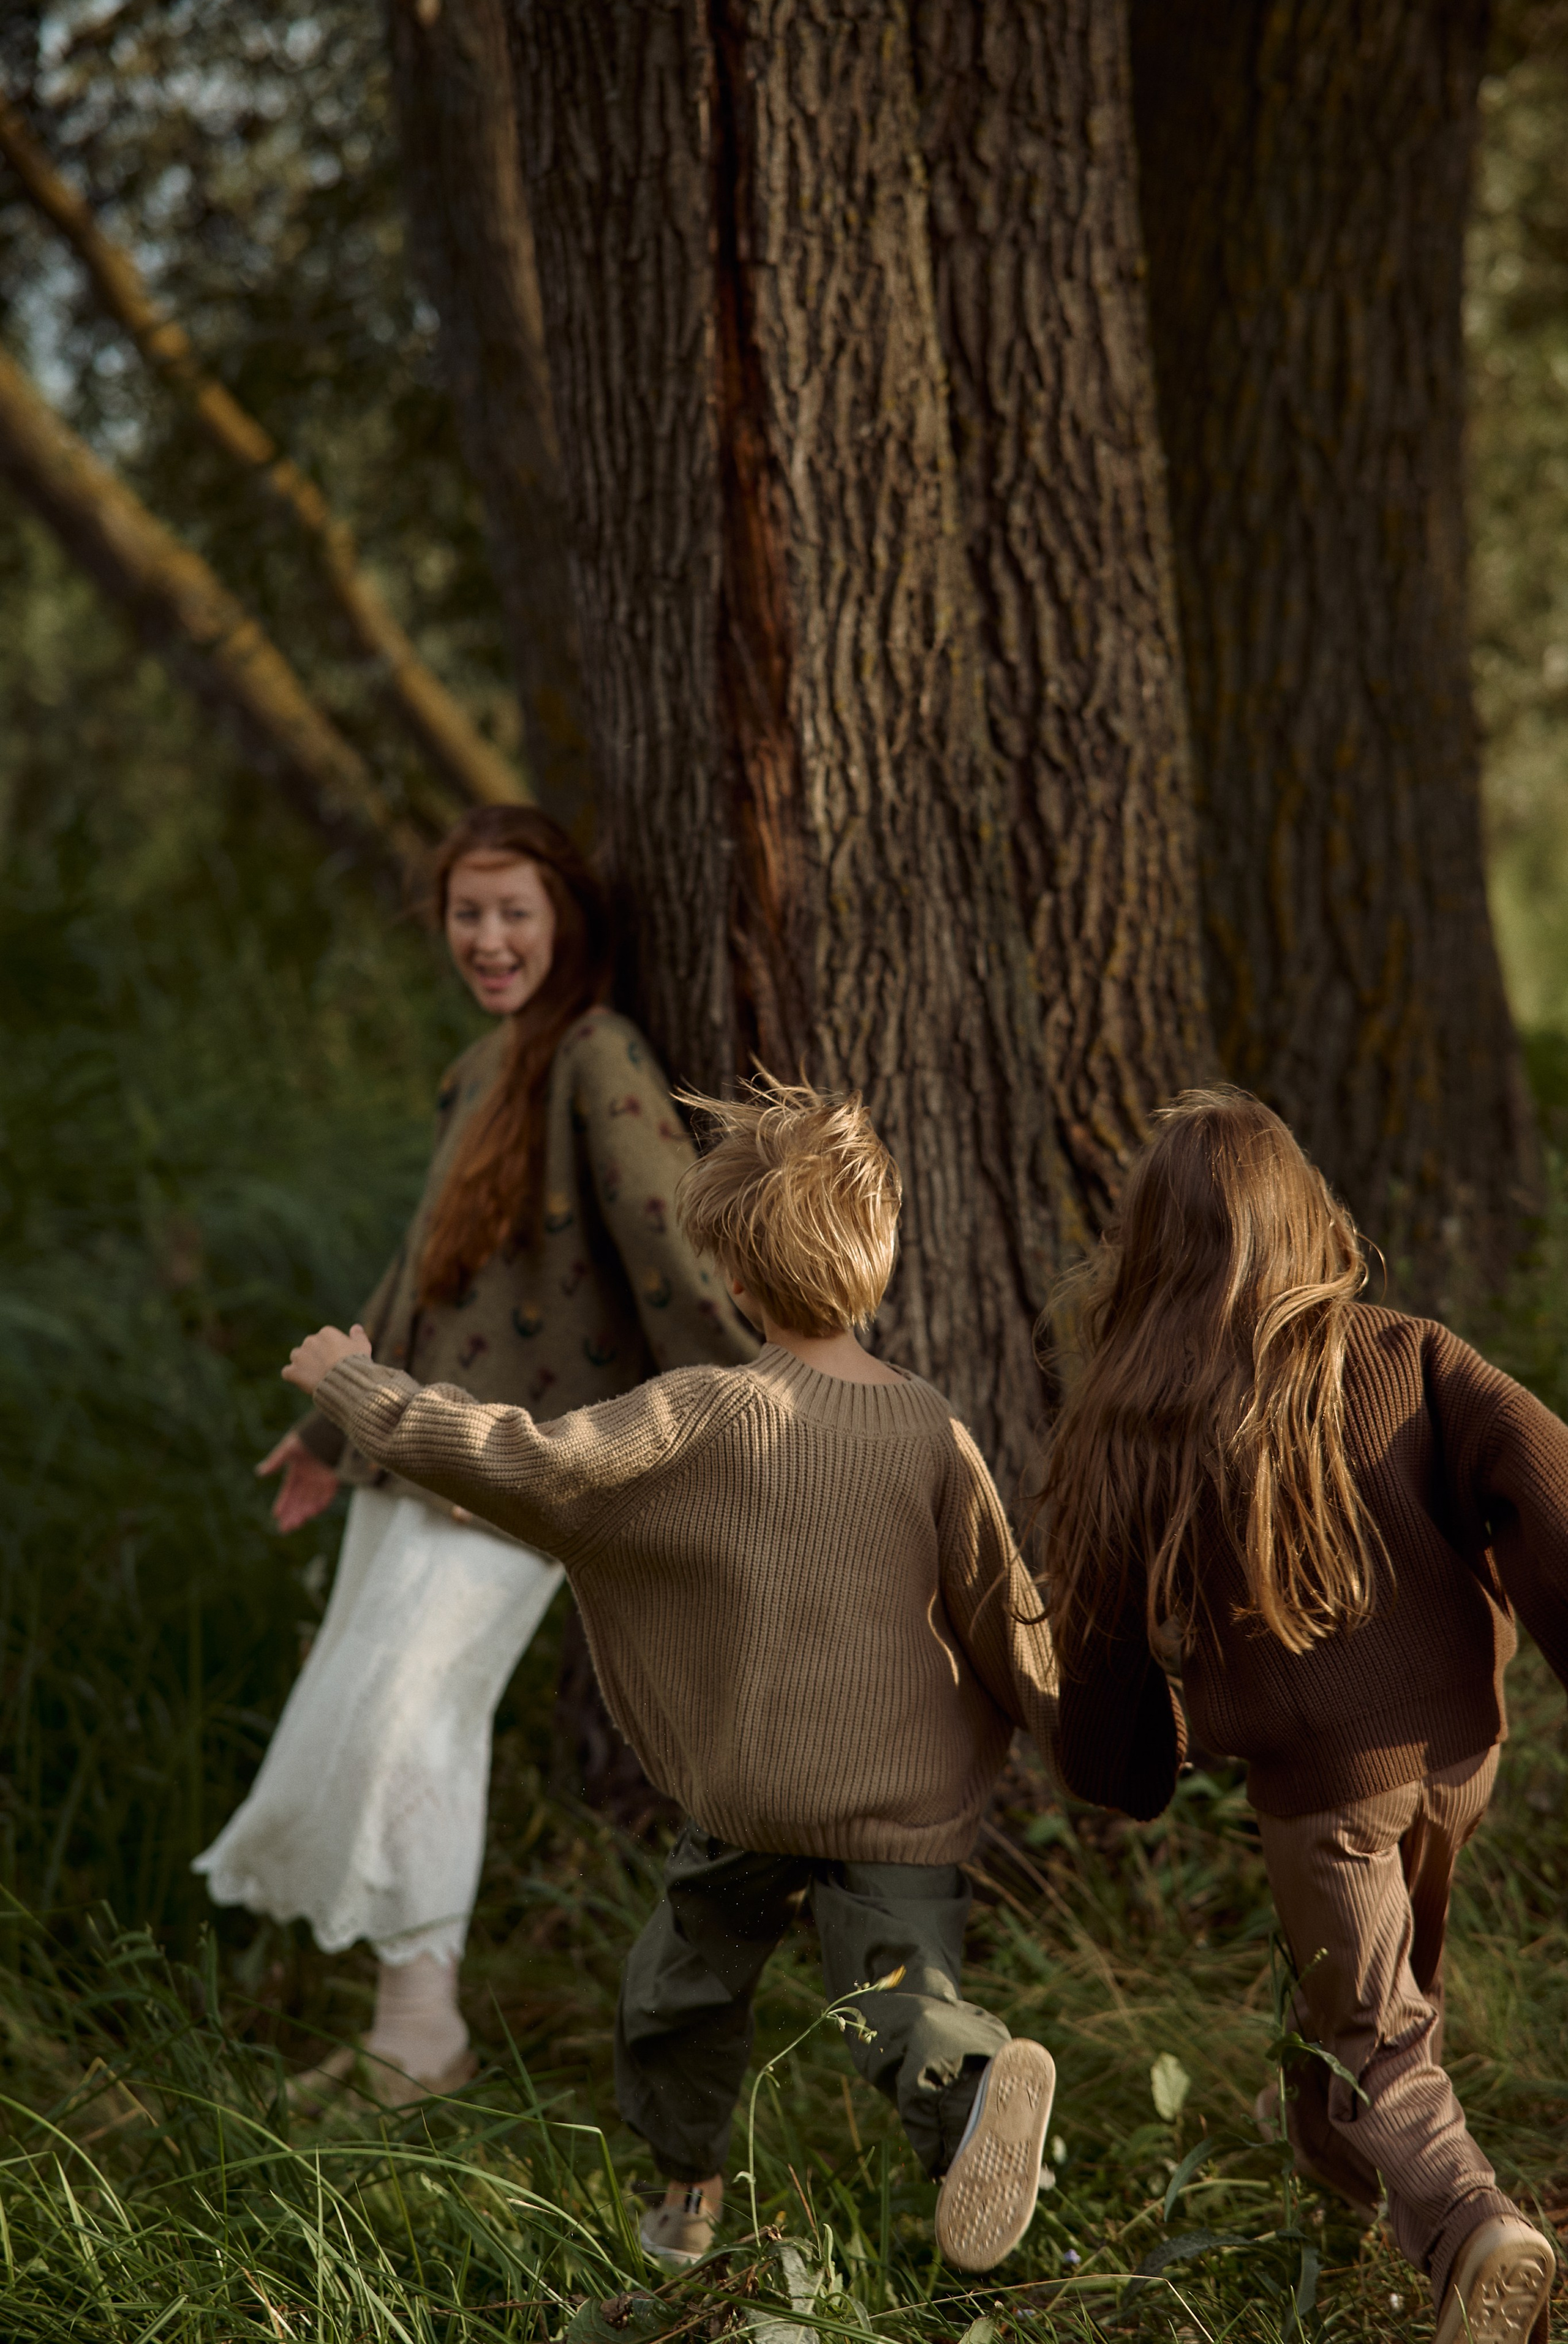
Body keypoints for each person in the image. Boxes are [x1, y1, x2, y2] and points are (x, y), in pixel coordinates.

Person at [279, 1078, 1062, 2275]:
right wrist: (1103, 1736)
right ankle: (968, 2115)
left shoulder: (707, 1413)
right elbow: (1008, 1614)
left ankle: (684, 2189)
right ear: (878, 1262)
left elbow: (526, 1462)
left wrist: (357, 1385)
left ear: (733, 1280)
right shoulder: (930, 1427)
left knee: (679, 1991)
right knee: (902, 1994)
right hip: (902, 1805)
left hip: (748, 1796)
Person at [194, 804, 755, 2104]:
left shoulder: (597, 1057)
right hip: (411, 1446)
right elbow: (417, 1276)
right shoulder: (479, 1068)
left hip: (522, 1457)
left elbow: (667, 1245)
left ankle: (421, 2037)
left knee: (411, 1721)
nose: (489, 939)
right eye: (467, 913)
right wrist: (332, 1429)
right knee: (371, 1719)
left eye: (515, 912)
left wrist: (763, 1405)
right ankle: (413, 2028)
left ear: (564, 920)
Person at [1039, 1087, 1561, 2344]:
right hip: (1458, 1752)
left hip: (1325, 1791)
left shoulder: (1134, 1417)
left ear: (1151, 1244)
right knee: (1365, 1980)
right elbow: (1543, 1470)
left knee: (1376, 2029)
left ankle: (1466, 2226)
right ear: (1305, 1219)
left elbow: (1095, 1623)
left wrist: (1117, 1758)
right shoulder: (1407, 1351)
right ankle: (1333, 2219)